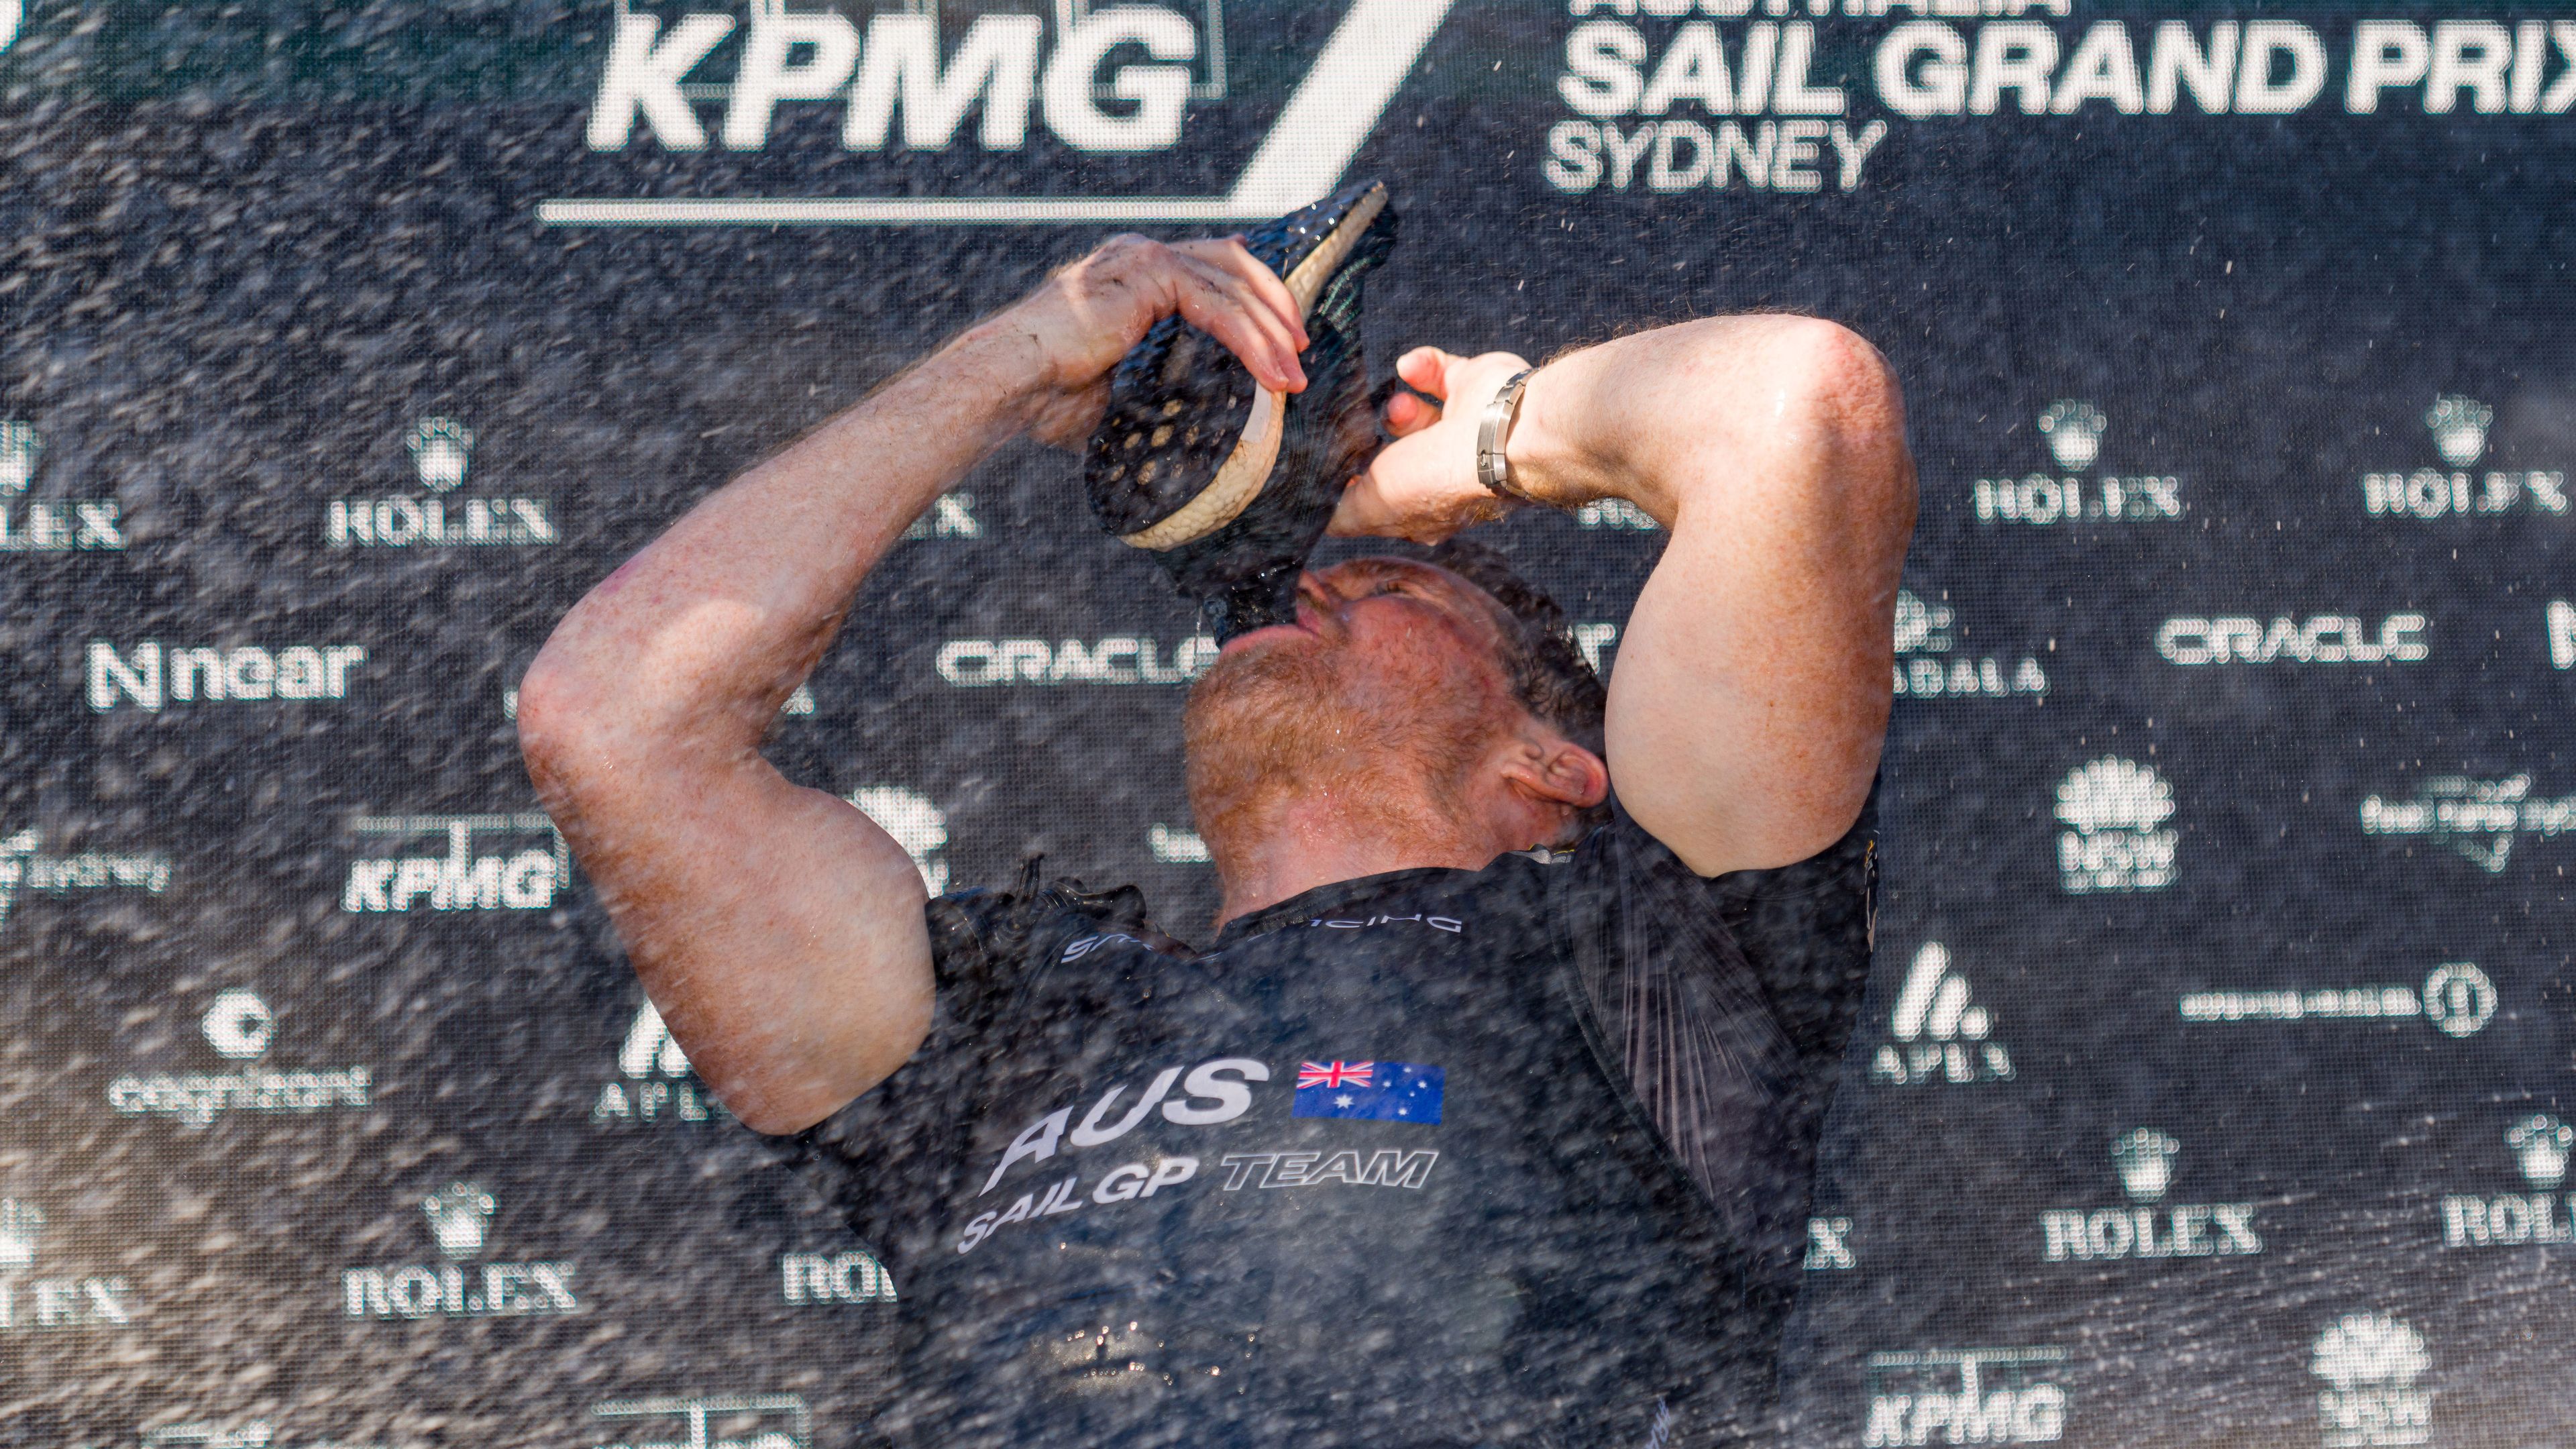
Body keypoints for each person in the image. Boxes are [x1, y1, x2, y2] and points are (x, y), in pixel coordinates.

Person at [517, 229, 1915, 1448]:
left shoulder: (1651, 962)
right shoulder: (1008, 1025)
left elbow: (1799, 406)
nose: (1289, 593)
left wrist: (1476, 452)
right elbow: (616, 722)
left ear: (1554, 762)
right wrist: (1012, 366)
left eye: (1374, 583)